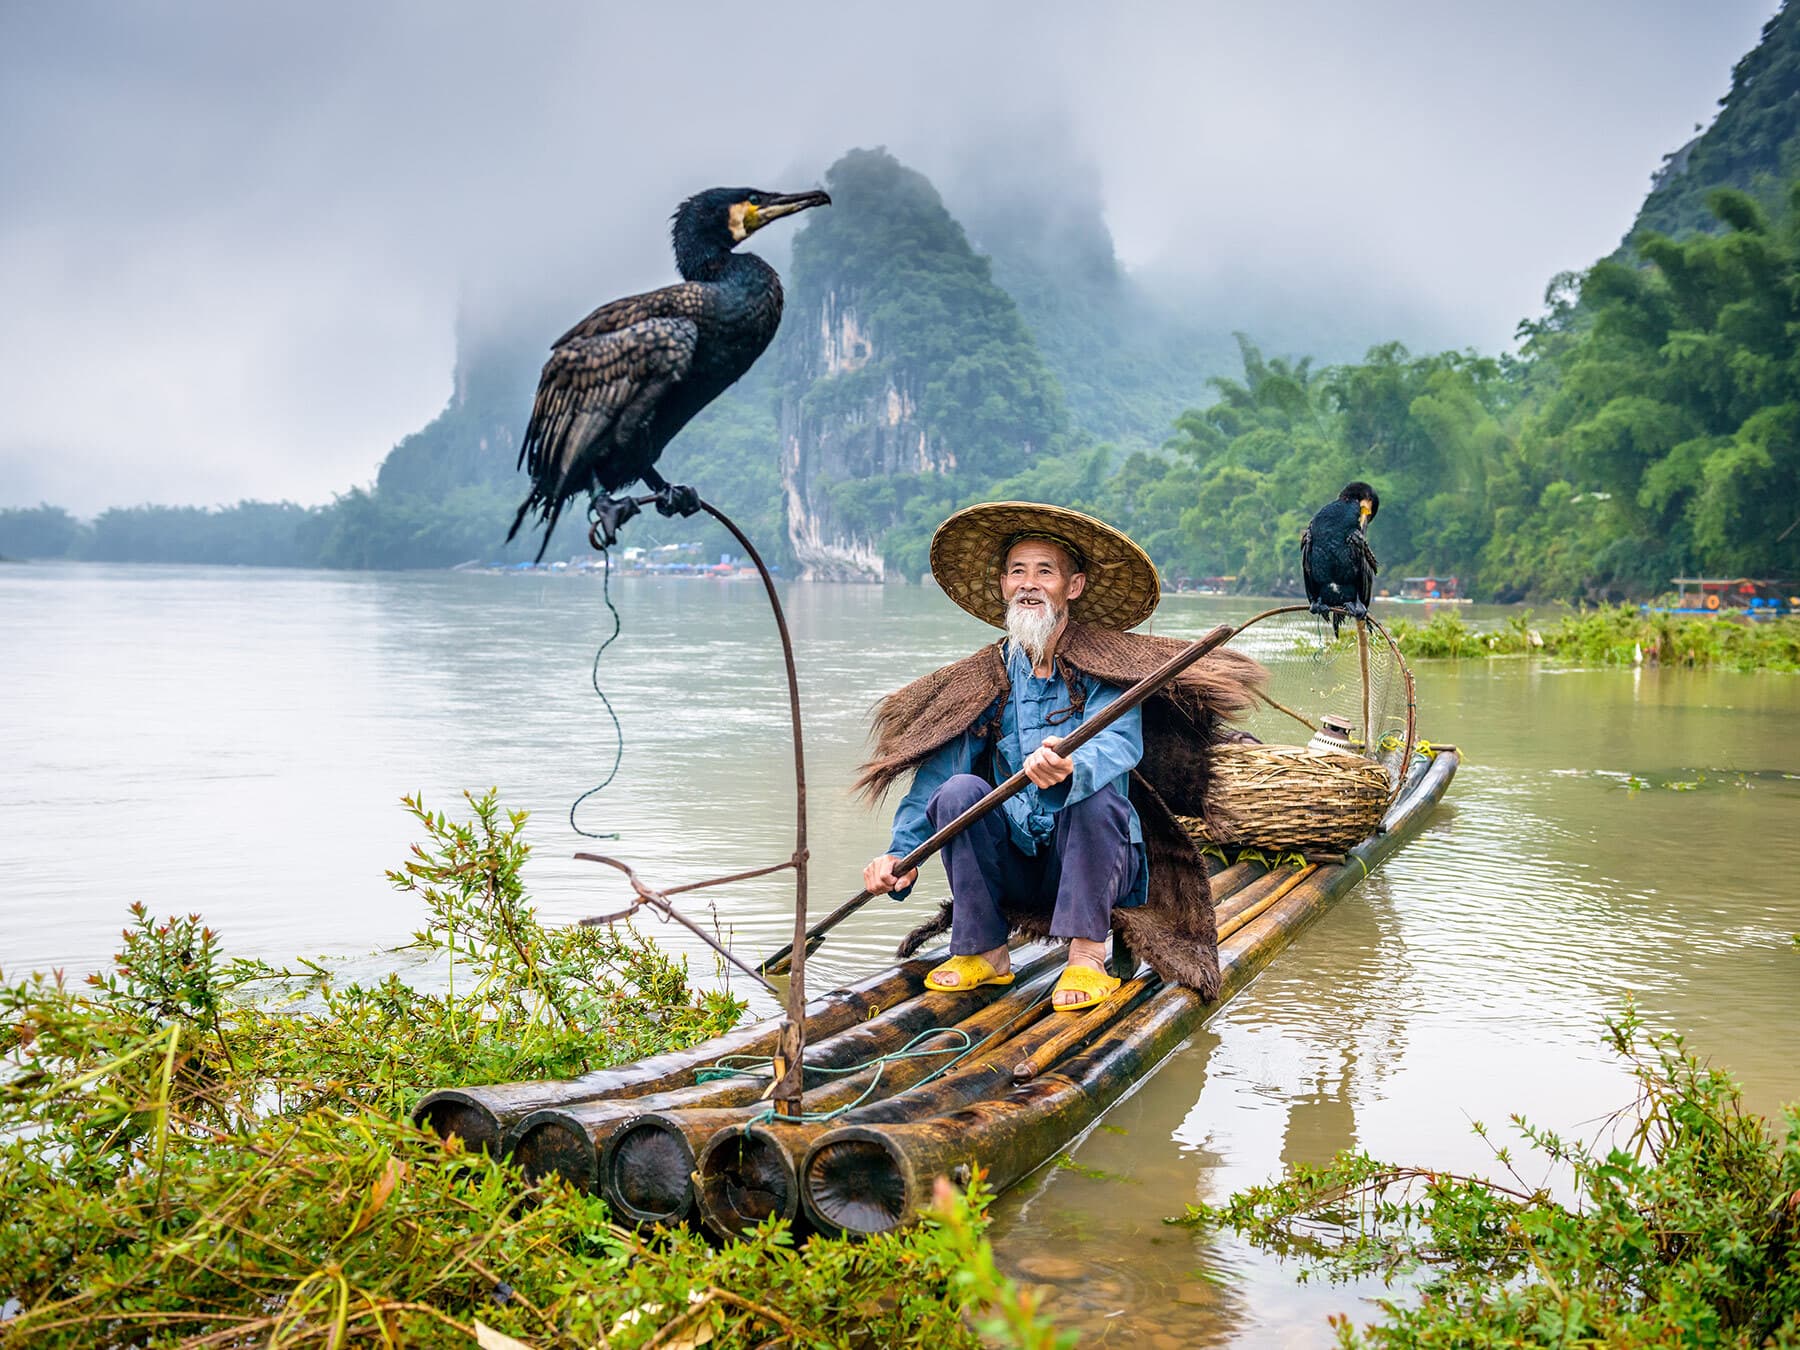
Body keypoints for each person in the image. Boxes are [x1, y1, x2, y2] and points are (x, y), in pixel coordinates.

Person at [856, 502, 1267, 1010]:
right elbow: (939, 773)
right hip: (1021, 867)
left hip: (1096, 867)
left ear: (1072, 587)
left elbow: (1121, 743)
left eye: (1044, 571)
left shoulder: (1104, 667)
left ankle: (1087, 957)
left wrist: (1072, 768)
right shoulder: (987, 677)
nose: (1029, 584)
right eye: (1017, 572)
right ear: (1004, 586)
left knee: (1095, 800)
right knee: (957, 792)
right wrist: (900, 853)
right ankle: (985, 952)